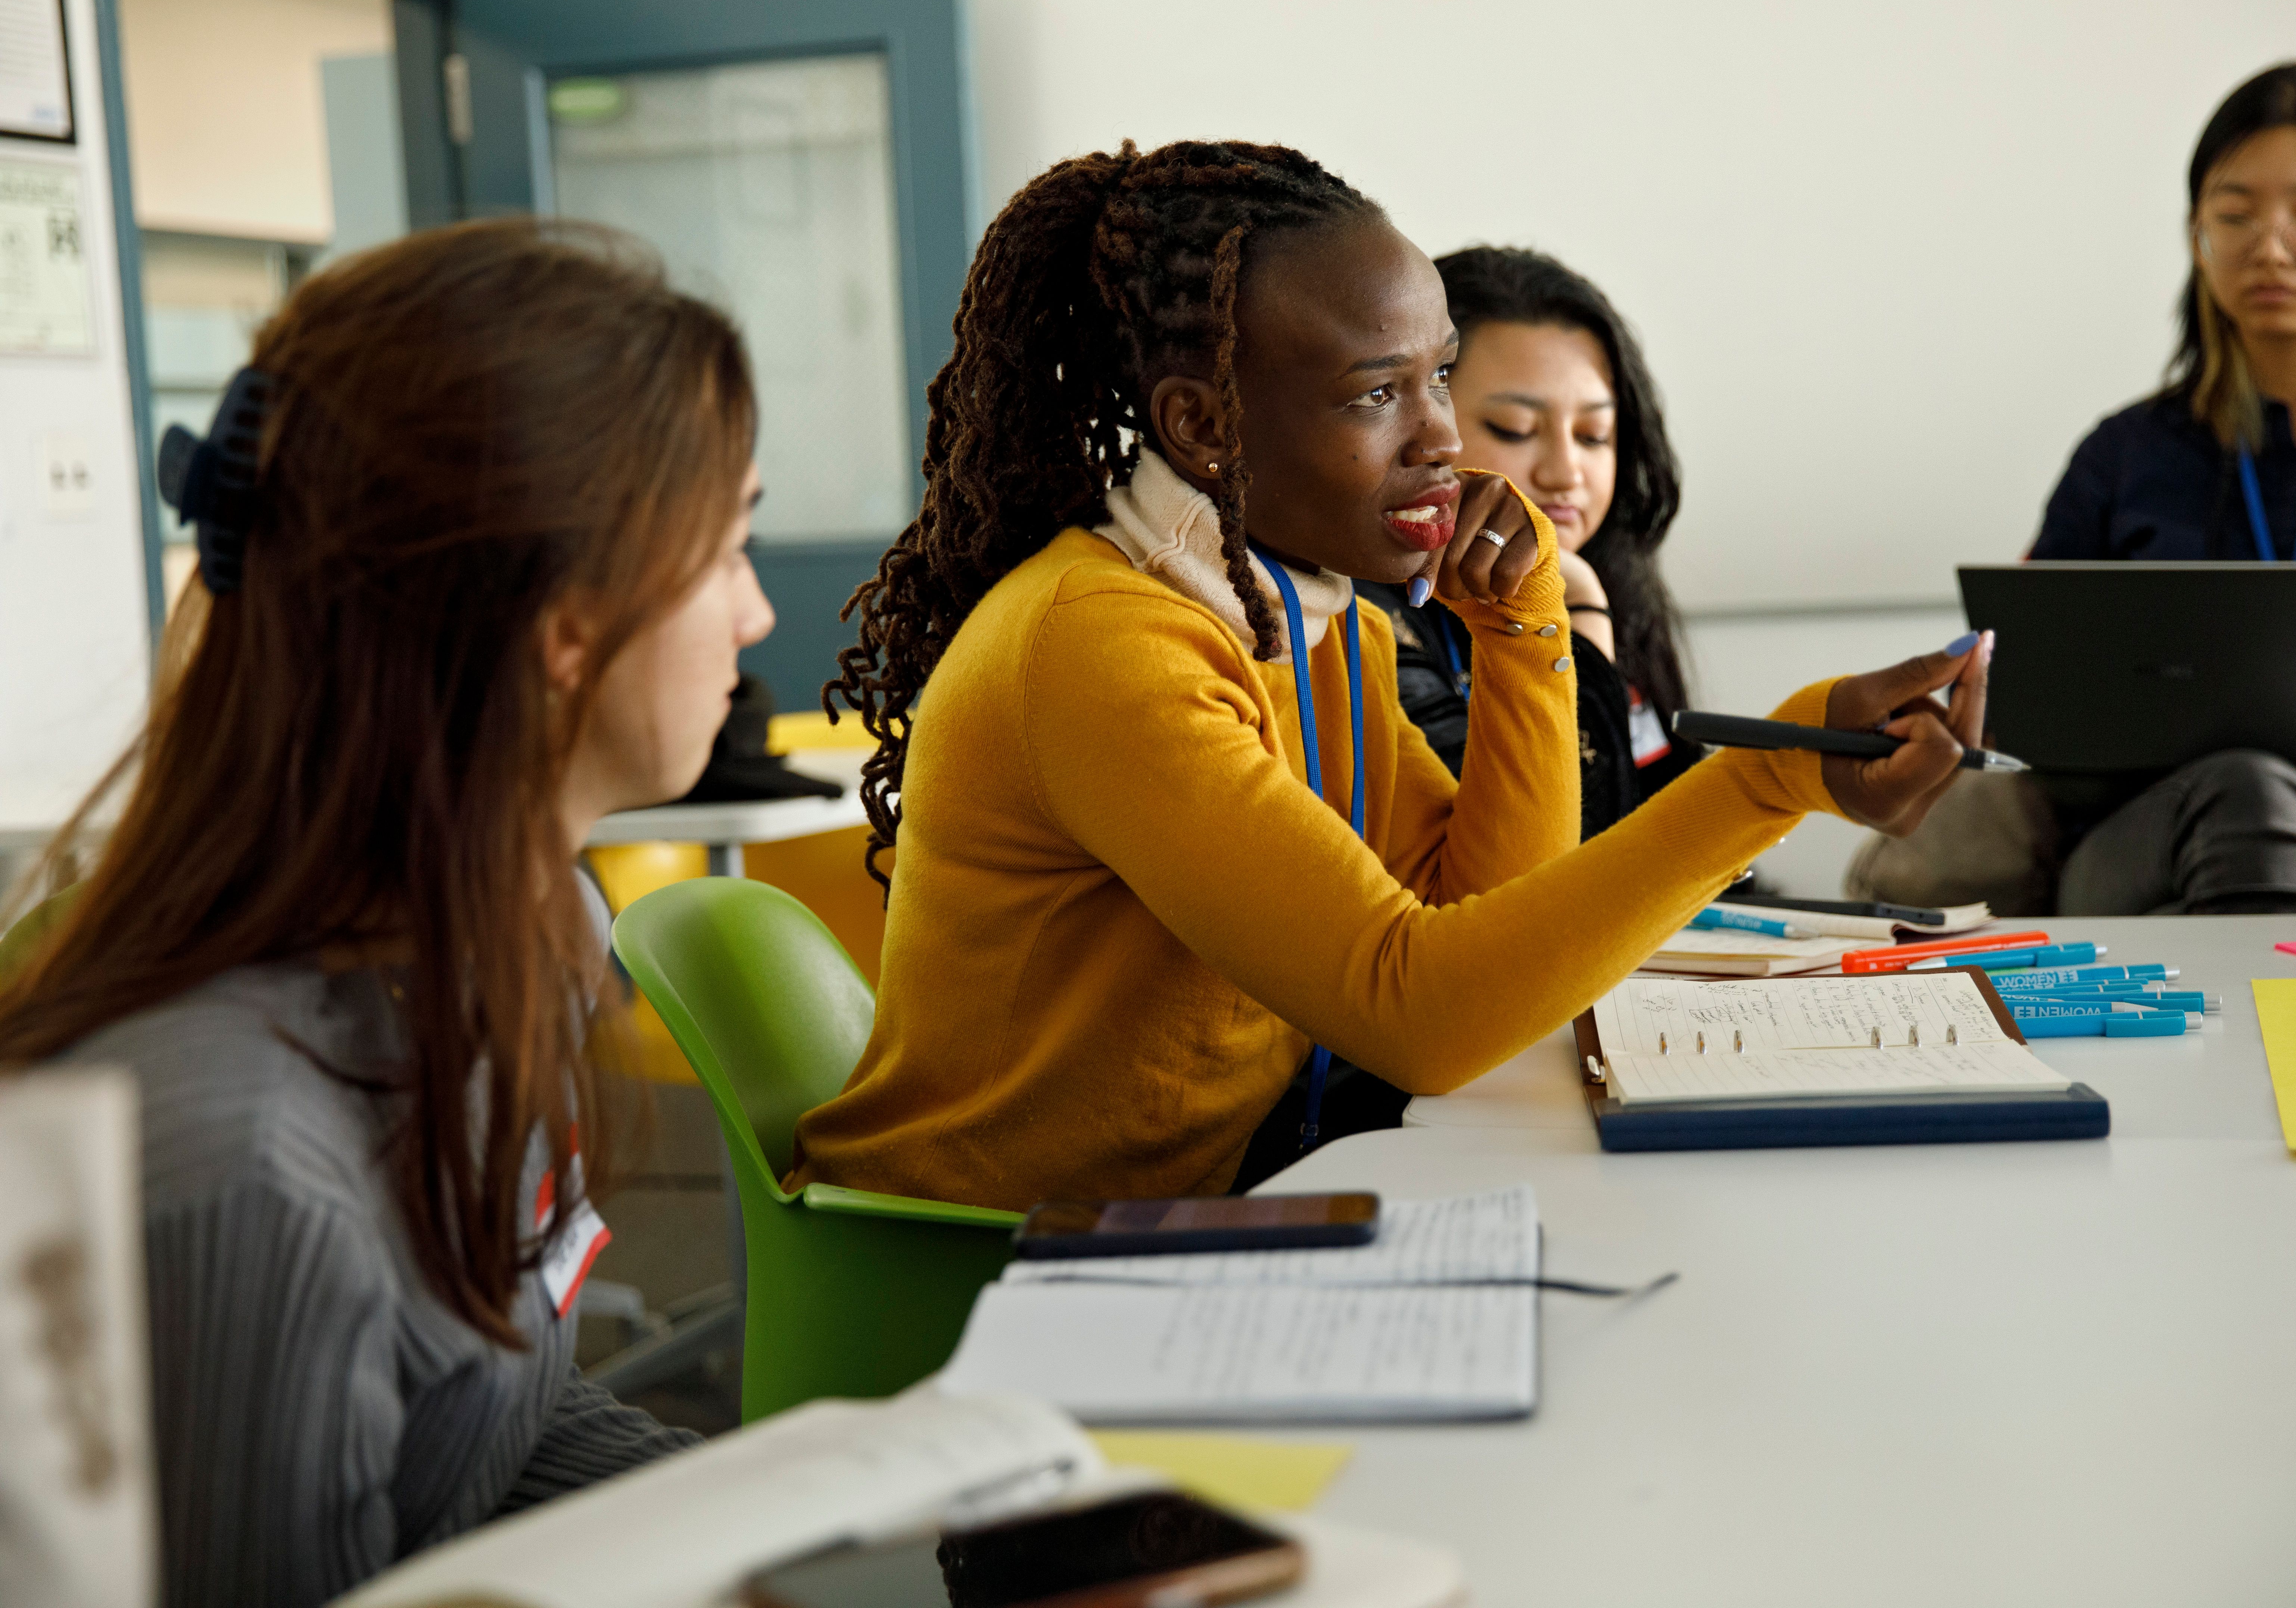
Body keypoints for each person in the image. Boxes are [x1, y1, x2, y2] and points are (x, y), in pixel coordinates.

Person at [797, 139, 1988, 1207]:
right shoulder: (1107, 642)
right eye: (1376, 393)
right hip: (976, 1274)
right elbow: (1421, 1014)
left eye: (1438, 375)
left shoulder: (1310, 612)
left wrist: (1521, 624)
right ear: (1204, 426)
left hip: (1185, 1226)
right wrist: (1774, 778)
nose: (1441, 439)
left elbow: (1481, 918)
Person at [0, 220, 776, 1607]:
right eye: (726, 551)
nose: (759, 612)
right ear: (566, 632)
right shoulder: (249, 1161)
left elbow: (506, 1427)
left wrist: (815, 1547)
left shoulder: (524, 947)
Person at [1855, 62, 2296, 916]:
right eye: (2233, 215)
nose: (2268, 246)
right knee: (2248, 797)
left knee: (2277, 828)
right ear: (2197, 232)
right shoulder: (2129, 453)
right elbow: (2032, 676)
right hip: (2151, 833)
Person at [1356, 246, 1697, 839]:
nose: (1566, 472)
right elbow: (1561, 855)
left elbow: (1672, 833)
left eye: (1594, 436)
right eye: (1514, 429)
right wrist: (1578, 609)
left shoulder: (1615, 574)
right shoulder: (1361, 608)